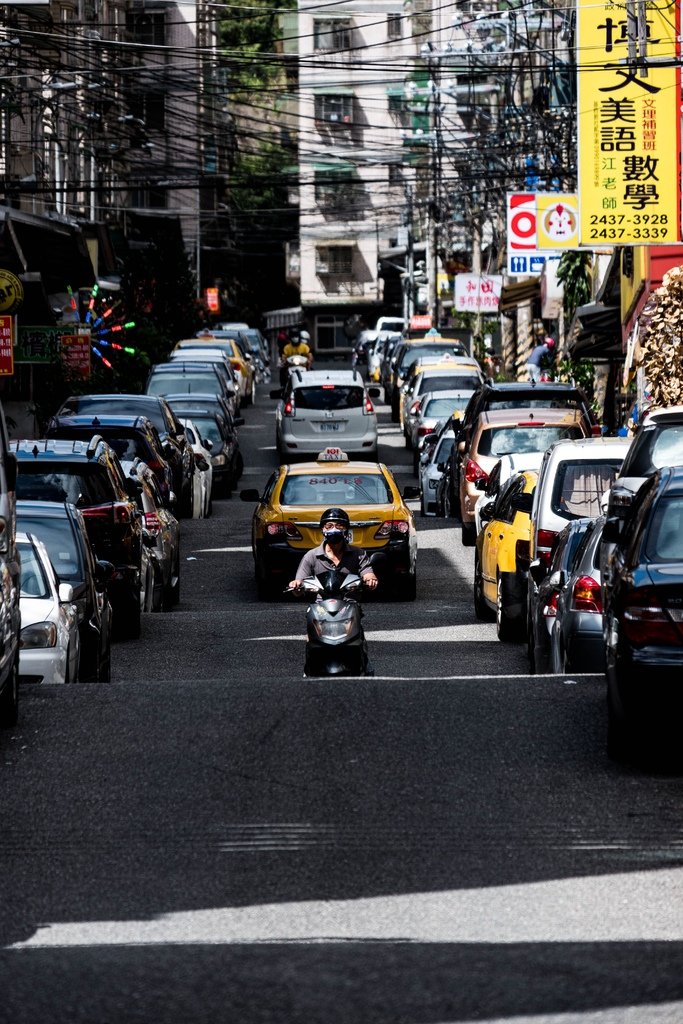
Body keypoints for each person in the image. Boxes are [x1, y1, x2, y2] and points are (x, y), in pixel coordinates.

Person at [289, 508, 379, 590]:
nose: (334, 529)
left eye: (339, 526)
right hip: (320, 605)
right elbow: (299, 583)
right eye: (329, 526)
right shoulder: (311, 556)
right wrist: (296, 585)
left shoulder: (359, 554)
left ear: (346, 530)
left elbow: (368, 574)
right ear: (323, 530)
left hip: (349, 603)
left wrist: (370, 580)